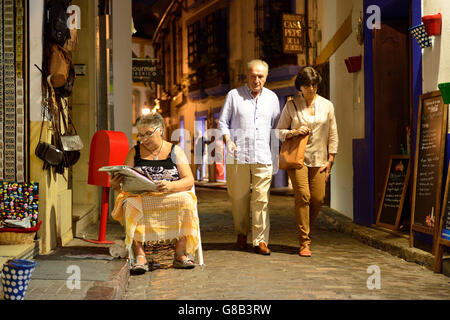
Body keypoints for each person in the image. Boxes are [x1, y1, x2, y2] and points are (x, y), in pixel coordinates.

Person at [110, 112, 199, 274]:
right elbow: (125, 182)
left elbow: (189, 180)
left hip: (169, 194)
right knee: (130, 203)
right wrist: (117, 185)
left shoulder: (175, 151)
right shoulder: (134, 152)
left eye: (148, 134)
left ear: (160, 130)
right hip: (142, 196)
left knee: (186, 200)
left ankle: (180, 253)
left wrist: (170, 186)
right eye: (141, 135)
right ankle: (140, 255)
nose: (144, 139)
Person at [218, 59, 280, 255]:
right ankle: (241, 232)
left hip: (264, 156)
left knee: (261, 200)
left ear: (266, 77)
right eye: (253, 76)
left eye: (260, 76)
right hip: (238, 156)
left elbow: (277, 127)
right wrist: (228, 140)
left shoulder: (272, 98)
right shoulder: (234, 96)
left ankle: (260, 240)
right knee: (239, 199)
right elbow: (222, 122)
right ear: (247, 76)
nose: (256, 80)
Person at [276, 66, 338, 257]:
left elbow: (333, 132)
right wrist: (294, 132)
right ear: (300, 87)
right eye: (307, 85)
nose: (311, 88)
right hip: (298, 160)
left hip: (319, 160)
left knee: (318, 199)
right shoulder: (291, 105)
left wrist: (331, 159)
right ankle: (304, 241)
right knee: (303, 196)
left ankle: (305, 229)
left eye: (314, 84)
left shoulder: (327, 105)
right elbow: (279, 132)